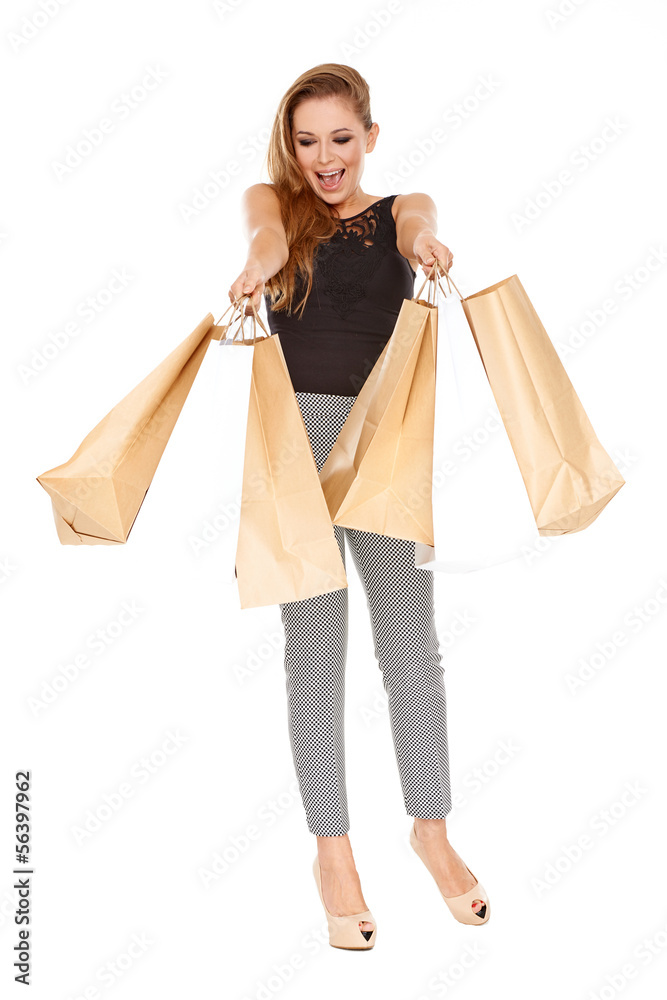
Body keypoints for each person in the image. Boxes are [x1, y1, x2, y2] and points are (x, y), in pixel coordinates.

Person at [228, 63, 490, 950]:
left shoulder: (402, 207)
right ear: (289, 145)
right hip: (292, 436)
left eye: (341, 138)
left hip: (383, 438)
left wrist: (424, 247)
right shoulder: (272, 202)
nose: (324, 158)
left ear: (370, 137)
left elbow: (418, 220)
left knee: (410, 647)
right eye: (307, 141)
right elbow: (263, 238)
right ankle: (332, 851)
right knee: (314, 651)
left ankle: (431, 830)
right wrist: (256, 268)